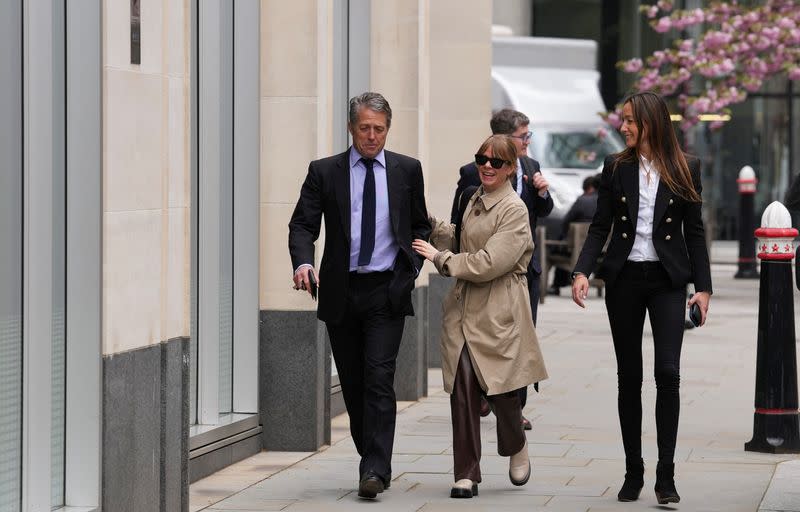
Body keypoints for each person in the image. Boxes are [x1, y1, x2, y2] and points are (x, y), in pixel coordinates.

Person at [571, 91, 712, 505]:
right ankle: (634, 471)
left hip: (669, 281)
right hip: (625, 279)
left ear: (651, 121)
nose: (624, 127)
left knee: (668, 373)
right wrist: (582, 270)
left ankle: (665, 476)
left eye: (631, 120)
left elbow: (695, 232)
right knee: (628, 376)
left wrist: (702, 288)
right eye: (623, 120)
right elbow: (600, 226)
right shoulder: (616, 166)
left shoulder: (687, 167)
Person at [288, 92, 431, 499]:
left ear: (388, 129)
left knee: (379, 378)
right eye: (365, 128)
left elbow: (419, 226)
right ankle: (371, 456)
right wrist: (303, 263)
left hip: (386, 290)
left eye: (379, 129)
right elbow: (302, 225)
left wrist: (411, 270)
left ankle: (374, 469)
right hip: (341, 291)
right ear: (352, 128)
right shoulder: (325, 171)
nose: (372, 136)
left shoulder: (407, 170)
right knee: (353, 384)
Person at [413, 135, 548, 499]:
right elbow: (462, 241)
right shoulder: (473, 197)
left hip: (498, 307)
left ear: (511, 168)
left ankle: (516, 443)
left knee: (502, 389)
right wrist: (432, 226)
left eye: (497, 162)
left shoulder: (515, 210)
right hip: (464, 306)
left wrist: (439, 259)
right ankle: (466, 473)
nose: (487, 166)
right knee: (464, 387)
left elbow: (490, 262)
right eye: (481, 159)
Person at [450, 108, 553, 429]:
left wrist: (542, 191)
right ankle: (484, 394)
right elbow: (459, 220)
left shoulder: (531, 167)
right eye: (523, 136)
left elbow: (545, 211)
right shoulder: (473, 171)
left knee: (517, 343)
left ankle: (514, 410)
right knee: (481, 340)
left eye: (528, 136)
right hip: (480, 273)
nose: (527, 142)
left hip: (521, 272)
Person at [547, 174, 600, 295]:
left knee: (558, 248)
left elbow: (566, 222)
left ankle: (557, 285)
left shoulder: (582, 201)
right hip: (603, 250)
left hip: (577, 249)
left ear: (589, 188)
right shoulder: (609, 202)